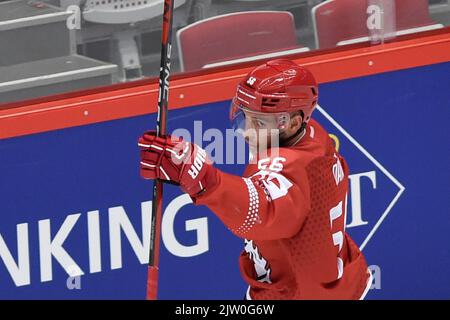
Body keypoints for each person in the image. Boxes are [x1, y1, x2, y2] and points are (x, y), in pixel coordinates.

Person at [138, 59, 371, 300]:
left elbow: (261, 210)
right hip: (333, 281)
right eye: (245, 117)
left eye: (258, 123)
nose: (246, 131)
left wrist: (205, 179)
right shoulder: (315, 138)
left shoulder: (291, 165)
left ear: (293, 123)